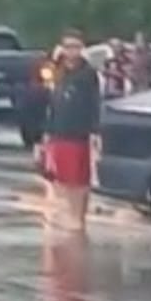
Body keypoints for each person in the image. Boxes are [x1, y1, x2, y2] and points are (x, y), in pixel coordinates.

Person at [40, 30, 101, 233]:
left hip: (79, 131)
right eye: (67, 47)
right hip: (59, 130)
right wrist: (47, 131)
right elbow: (51, 100)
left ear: (82, 49)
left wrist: (95, 130)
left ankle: (78, 216)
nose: (71, 51)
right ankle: (71, 214)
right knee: (62, 178)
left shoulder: (87, 73)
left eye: (75, 46)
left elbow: (94, 102)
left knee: (80, 179)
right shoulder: (58, 71)